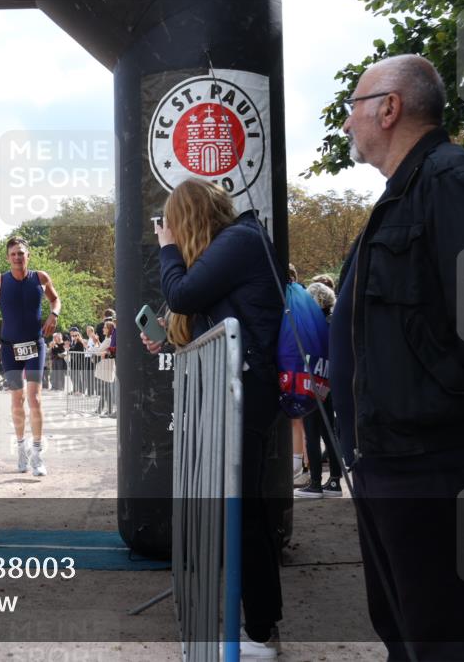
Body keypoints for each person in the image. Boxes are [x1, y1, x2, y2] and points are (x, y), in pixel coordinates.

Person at [334, 54, 464, 661]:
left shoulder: (454, 183)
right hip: (384, 457)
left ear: (389, 108)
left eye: (353, 108)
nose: (346, 124)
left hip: (428, 462)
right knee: (405, 631)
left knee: (445, 637)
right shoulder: (401, 195)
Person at [141, 178, 284, 659]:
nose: (172, 235)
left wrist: (166, 249)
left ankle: (260, 630)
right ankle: (259, 624)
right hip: (239, 393)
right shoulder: (235, 243)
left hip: (248, 395)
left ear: (189, 218)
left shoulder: (240, 240)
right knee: (242, 509)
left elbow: (183, 293)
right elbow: (203, 313)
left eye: (174, 226)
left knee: (244, 511)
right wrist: (170, 337)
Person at [0, 236, 61, 477]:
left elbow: (55, 299)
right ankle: (20, 448)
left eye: (21, 253)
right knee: (17, 400)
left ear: (28, 256)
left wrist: (54, 314)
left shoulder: (40, 278)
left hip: (35, 345)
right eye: (13, 254)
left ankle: (37, 452)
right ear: (8, 258)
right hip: (10, 348)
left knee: (35, 398)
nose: (18, 257)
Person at [294, 282, 341, 498]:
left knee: (312, 431)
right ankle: (334, 480)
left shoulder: (315, 324)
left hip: (315, 379)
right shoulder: (334, 320)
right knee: (328, 431)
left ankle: (315, 483)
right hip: (331, 381)